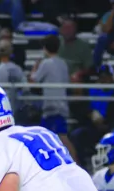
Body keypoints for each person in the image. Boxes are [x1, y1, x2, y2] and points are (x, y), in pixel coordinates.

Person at [30, 35, 78, 164]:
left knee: (61, 137)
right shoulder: (63, 63)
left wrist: (35, 67)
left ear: (45, 48)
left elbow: (34, 80)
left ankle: (76, 164)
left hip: (52, 106)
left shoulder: (46, 63)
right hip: (60, 104)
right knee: (47, 137)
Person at [58, 17, 93, 83]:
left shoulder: (84, 46)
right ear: (61, 30)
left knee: (77, 82)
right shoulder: (55, 43)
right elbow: (44, 61)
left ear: (76, 31)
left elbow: (89, 68)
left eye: (70, 29)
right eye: (66, 29)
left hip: (75, 77)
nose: (68, 32)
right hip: (55, 76)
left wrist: (79, 74)